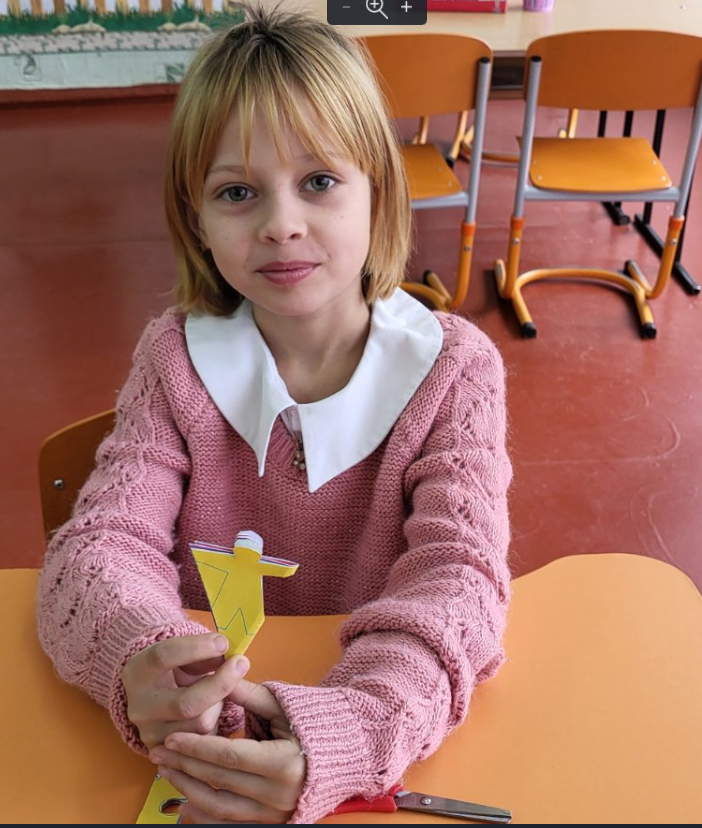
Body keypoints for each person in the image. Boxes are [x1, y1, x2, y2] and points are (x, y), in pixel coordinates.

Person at [37, 6, 512, 824]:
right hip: (197, 750)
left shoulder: (453, 370)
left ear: (378, 189)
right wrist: (149, 664)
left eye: (319, 182)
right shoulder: (175, 356)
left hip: (371, 742)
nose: (281, 225)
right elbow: (101, 544)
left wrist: (355, 728)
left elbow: (458, 583)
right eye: (237, 192)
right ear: (196, 219)